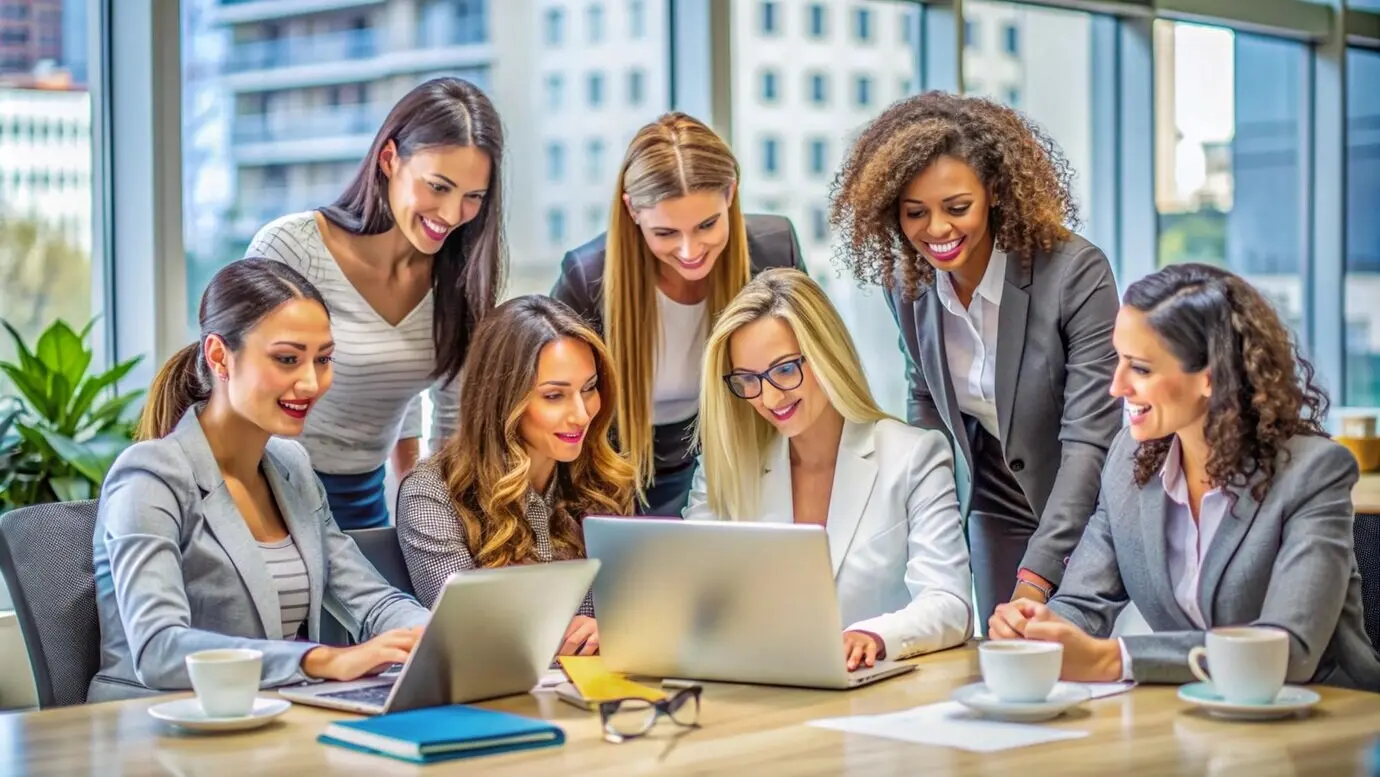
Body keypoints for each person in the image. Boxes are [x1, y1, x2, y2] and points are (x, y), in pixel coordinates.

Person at [989, 264, 1380, 690]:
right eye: (1118, 360)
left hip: (1331, 720)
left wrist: (1113, 659)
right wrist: (1038, 631)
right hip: (1200, 716)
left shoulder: (1314, 472)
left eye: (1140, 368)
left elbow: (1290, 650)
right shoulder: (1127, 460)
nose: (1116, 387)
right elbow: (1084, 602)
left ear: (1210, 377)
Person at [828, 91, 1122, 624]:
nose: (936, 230)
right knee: (1001, 656)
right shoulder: (908, 285)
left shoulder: (1075, 273)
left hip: (1092, 503)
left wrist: (1035, 580)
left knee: (1082, 668)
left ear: (995, 194)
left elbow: (1091, 440)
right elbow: (928, 401)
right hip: (995, 503)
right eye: (915, 213)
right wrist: (925, 518)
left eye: (957, 208)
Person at [89, 259, 430, 703]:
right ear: (219, 357)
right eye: (287, 359)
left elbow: (373, 602)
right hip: (151, 729)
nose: (310, 382)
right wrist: (317, 660)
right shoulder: (151, 476)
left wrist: (443, 638)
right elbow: (159, 649)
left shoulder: (291, 466)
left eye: (323, 359)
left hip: (267, 718)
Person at [247, 76, 506, 529]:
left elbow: (449, 430)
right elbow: (229, 389)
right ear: (390, 159)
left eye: (473, 198)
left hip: (366, 501)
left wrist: (429, 525)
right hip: (265, 492)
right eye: (438, 187)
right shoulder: (291, 248)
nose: (450, 215)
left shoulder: (462, 279)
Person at [685, 268, 971, 671]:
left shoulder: (913, 456)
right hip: (761, 692)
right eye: (748, 380)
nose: (768, 397)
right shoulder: (727, 466)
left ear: (825, 354)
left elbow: (950, 603)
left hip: (878, 695)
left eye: (784, 369)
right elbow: (689, 588)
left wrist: (873, 636)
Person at [552, 112, 803, 517]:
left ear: (731, 193)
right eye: (666, 233)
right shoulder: (587, 278)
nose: (690, 252)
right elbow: (552, 406)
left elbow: (808, 375)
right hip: (613, 475)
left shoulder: (775, 251)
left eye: (706, 225)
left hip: (733, 462)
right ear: (632, 210)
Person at [396, 295, 634, 656]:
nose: (582, 414)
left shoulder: (605, 481)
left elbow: (642, 609)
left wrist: (615, 628)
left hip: (597, 695)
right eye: (554, 396)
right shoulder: (433, 495)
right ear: (501, 400)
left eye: (589, 388)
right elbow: (471, 632)